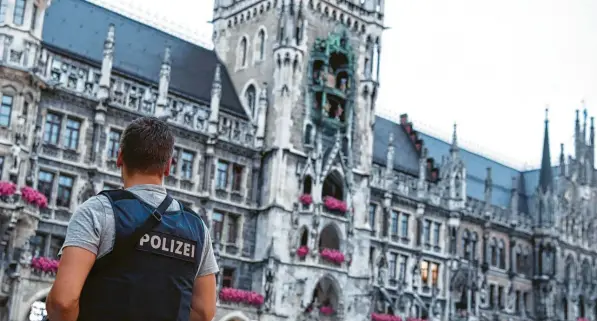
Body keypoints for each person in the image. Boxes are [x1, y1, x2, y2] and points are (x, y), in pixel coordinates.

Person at [46, 117, 218, 321]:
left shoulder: (97, 211)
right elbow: (205, 311)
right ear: (168, 166)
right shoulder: (196, 227)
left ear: (119, 157)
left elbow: (63, 302)